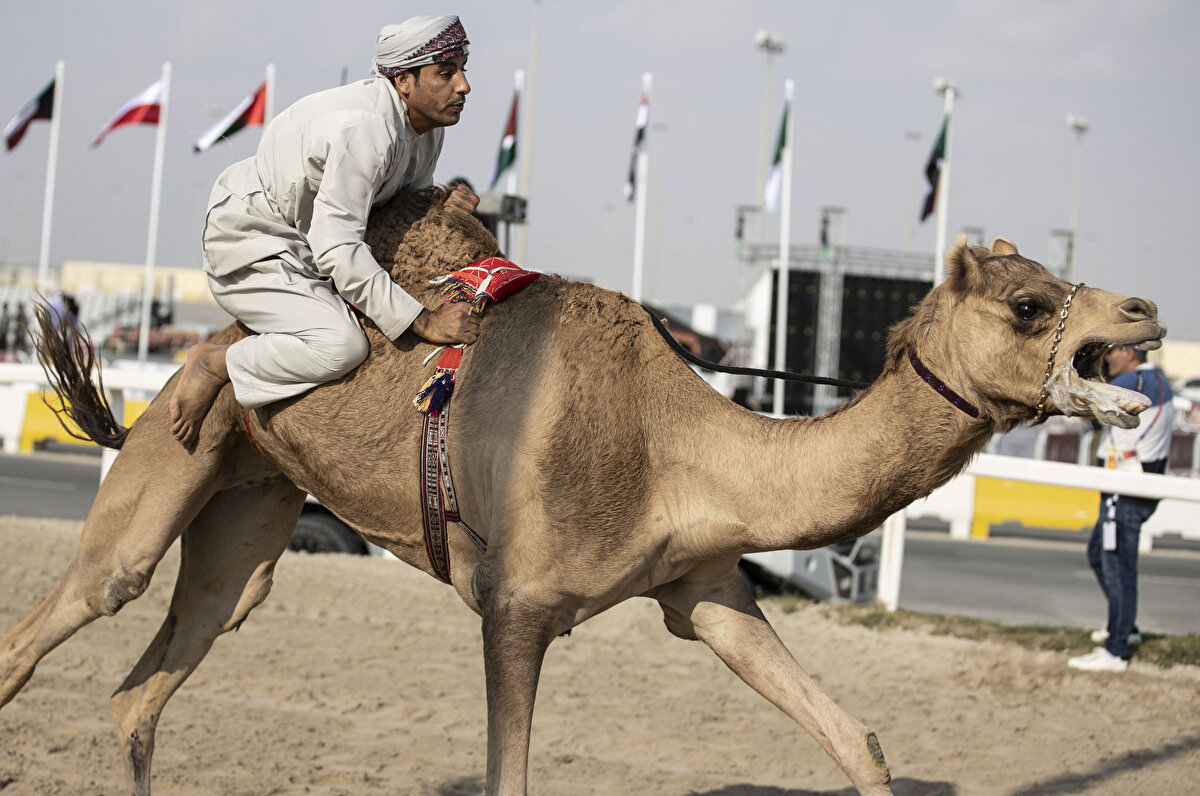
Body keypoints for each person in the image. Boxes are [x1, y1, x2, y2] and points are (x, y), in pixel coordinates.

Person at [169, 14, 483, 447]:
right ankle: (214, 364)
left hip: (305, 244)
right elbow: (337, 246)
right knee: (342, 346)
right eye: (446, 74)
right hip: (254, 242)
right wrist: (425, 320)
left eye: (463, 70)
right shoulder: (368, 129)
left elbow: (394, 211)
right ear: (403, 81)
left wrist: (441, 202)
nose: (463, 86)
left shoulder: (426, 130)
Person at [1068, 344, 1174, 673]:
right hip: (1131, 484)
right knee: (1100, 555)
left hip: (1125, 489)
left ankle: (1116, 650)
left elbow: (1077, 402)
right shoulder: (1158, 380)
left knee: (1117, 567)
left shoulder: (1132, 380)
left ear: (1131, 352)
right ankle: (1125, 628)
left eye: (1113, 350)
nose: (1108, 357)